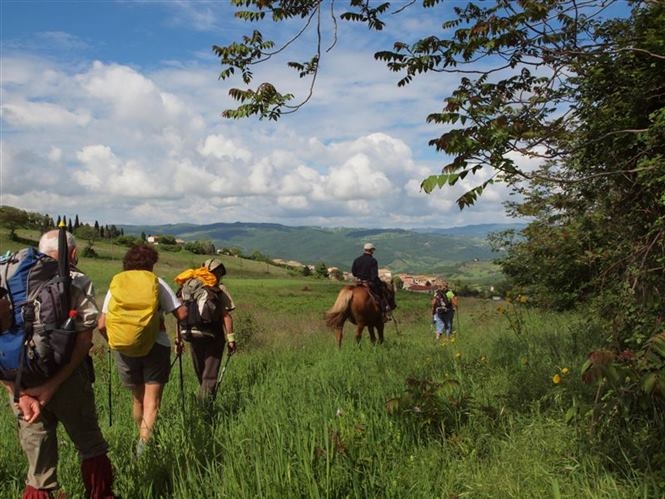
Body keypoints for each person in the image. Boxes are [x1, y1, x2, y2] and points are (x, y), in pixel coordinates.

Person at [2, 229, 116, 498]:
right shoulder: (74, 279)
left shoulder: (7, 282)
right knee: (90, 444)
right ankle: (100, 494)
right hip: (67, 380)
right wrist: (52, 386)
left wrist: (16, 391)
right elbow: (84, 339)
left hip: (20, 381)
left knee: (38, 465)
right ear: (72, 253)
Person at [98, 244, 186, 456]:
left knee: (137, 398)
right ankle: (143, 448)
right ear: (151, 264)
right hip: (156, 346)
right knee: (152, 401)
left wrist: (114, 341)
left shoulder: (117, 284)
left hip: (124, 348)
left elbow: (102, 324)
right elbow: (182, 314)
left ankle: (142, 436)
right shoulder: (156, 282)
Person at [175, 258, 237, 401]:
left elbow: (179, 314)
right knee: (209, 374)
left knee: (201, 372)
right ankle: (205, 407)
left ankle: (204, 400)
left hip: (191, 333)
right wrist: (231, 339)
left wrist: (178, 339)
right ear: (218, 272)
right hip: (213, 335)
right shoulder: (218, 288)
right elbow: (226, 316)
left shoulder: (187, 286)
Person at [351, 242, 392, 320]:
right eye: (373, 250)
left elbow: (353, 272)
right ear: (371, 250)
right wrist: (378, 282)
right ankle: (384, 312)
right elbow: (374, 276)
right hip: (369, 283)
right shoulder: (373, 261)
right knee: (382, 293)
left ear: (364, 250)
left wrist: (359, 277)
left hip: (358, 283)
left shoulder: (357, 260)